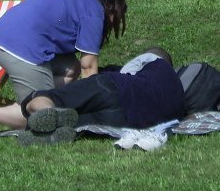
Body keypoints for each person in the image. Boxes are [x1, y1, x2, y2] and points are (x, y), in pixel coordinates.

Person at [0, 0, 127, 140]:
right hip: (22, 47)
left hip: (1, 36)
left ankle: (44, 96)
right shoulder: (95, 13)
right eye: (117, 19)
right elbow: (89, 67)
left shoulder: (82, 2)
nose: (113, 24)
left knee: (72, 67)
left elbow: (79, 66)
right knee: (43, 118)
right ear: (112, 10)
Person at [19, 47, 186, 145]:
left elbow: (125, 72)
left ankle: (46, 110)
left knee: (47, 98)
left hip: (118, 88)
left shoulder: (153, 59)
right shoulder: (177, 91)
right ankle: (48, 133)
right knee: (77, 119)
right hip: (126, 121)